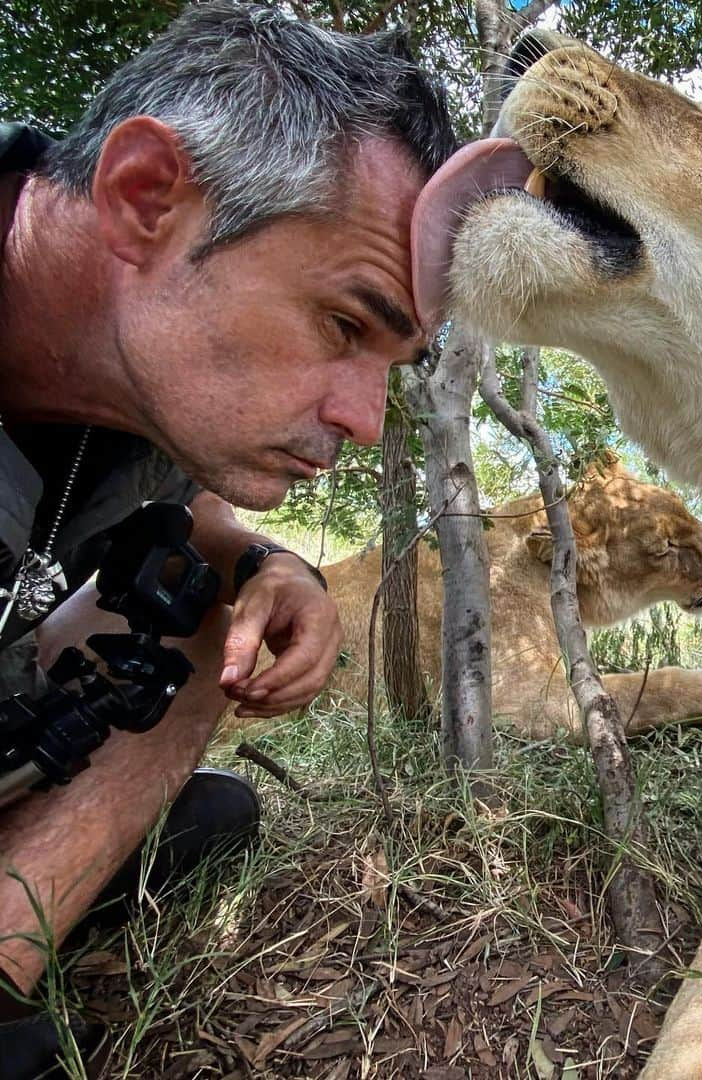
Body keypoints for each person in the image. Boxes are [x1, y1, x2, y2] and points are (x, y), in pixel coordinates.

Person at [0, 3, 456, 1074]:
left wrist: (269, 564)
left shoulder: (136, 376)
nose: (365, 418)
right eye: (347, 324)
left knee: (202, 602)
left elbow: (182, 520)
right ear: (147, 198)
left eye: (395, 367)